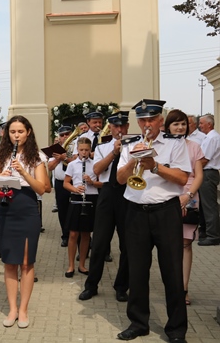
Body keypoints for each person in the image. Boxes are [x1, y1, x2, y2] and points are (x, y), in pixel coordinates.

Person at [115, 99, 190, 343]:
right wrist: (133, 159)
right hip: (135, 211)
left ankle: (176, 330)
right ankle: (138, 323)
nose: (147, 124)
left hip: (166, 211)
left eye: (151, 120)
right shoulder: (129, 145)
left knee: (172, 271)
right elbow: (120, 179)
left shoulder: (175, 143)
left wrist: (155, 166)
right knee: (137, 271)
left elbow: (182, 178)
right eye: (143, 120)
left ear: (160, 121)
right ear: (138, 122)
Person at [0, 115, 47, 329]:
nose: (16, 136)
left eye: (20, 132)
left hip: (27, 207)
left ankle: (23, 309)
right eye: (12, 132)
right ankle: (12, 309)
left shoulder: (36, 156)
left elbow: (42, 188)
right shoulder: (0, 155)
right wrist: (1, 179)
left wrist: (23, 172)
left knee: (26, 261)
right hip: (6, 208)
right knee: (10, 261)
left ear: (28, 132)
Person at [79, 112, 130, 302]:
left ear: (127, 127)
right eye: (115, 126)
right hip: (107, 193)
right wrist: (114, 152)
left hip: (128, 193)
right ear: (111, 127)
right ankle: (91, 285)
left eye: (122, 126)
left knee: (127, 244)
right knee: (100, 242)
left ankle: (122, 286)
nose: (119, 129)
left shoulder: (135, 145)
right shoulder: (102, 147)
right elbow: (97, 170)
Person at [165, 110, 204, 306]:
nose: (180, 127)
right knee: (168, 245)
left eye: (183, 124)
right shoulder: (162, 146)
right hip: (167, 196)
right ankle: (171, 287)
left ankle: (183, 289)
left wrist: (188, 196)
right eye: (176, 124)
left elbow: (199, 175)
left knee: (186, 244)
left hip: (189, 198)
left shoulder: (194, 146)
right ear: (168, 127)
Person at [63, 137, 100, 277]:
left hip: (91, 198)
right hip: (77, 197)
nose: (84, 153)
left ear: (90, 150)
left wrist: (92, 182)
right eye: (81, 150)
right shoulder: (72, 164)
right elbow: (66, 183)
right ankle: (71, 266)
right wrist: (75, 189)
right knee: (73, 233)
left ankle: (82, 265)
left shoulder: (95, 164)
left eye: (86, 150)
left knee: (86, 234)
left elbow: (103, 183)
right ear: (77, 150)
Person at [47, 126, 74, 247]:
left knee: (75, 210)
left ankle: (78, 237)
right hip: (60, 183)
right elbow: (50, 167)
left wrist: (65, 158)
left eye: (67, 134)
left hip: (73, 182)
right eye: (62, 135)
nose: (65, 137)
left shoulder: (75, 147)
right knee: (62, 211)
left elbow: (78, 163)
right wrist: (58, 159)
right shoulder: (55, 150)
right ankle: (65, 235)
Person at [197, 114, 220, 246]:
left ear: (209, 124)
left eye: (201, 123)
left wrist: (194, 172)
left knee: (209, 205)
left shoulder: (212, 138)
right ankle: (207, 232)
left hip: (208, 173)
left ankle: (213, 235)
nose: (199, 126)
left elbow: (204, 159)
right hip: (206, 173)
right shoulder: (209, 137)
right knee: (205, 205)